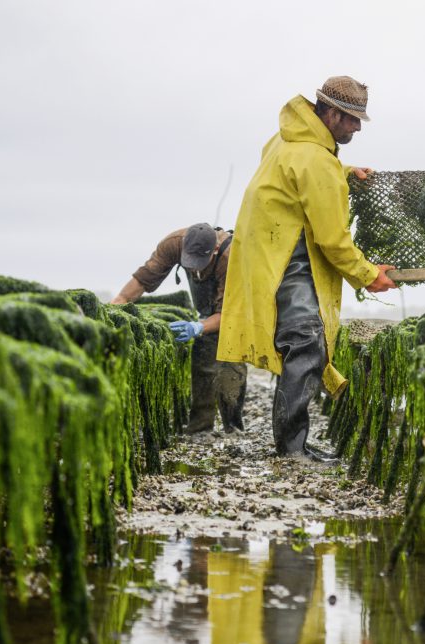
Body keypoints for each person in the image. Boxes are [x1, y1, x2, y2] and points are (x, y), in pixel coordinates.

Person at [217, 75, 397, 462]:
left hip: (265, 250)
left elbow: (301, 173)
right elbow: (333, 240)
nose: (356, 127)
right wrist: (369, 275)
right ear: (330, 114)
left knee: (299, 343)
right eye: (351, 119)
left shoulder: (288, 137)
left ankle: (291, 442)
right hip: (287, 256)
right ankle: (291, 448)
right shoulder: (316, 160)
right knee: (305, 343)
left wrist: (344, 172)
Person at [111, 223, 248, 433]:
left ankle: (233, 429)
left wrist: (197, 327)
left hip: (233, 312)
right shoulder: (173, 244)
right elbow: (142, 280)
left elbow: (230, 314)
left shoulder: (232, 258)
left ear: (214, 250)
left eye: (199, 263)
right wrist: (114, 308)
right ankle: (200, 429)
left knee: (231, 368)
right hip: (206, 312)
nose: (193, 268)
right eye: (189, 263)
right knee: (202, 360)